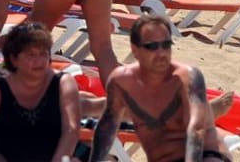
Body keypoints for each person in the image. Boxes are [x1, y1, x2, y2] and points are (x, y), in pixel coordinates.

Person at [90, 12, 230, 162]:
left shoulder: (187, 77)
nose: (161, 53)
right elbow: (107, 127)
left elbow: (195, 131)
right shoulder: (121, 80)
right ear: (135, 50)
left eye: (166, 45)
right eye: (152, 46)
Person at [0, 22, 82, 162]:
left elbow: (71, 130)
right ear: (14, 59)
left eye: (43, 54)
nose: (39, 61)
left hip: (51, 158)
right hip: (4, 158)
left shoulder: (63, 83)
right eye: (31, 55)